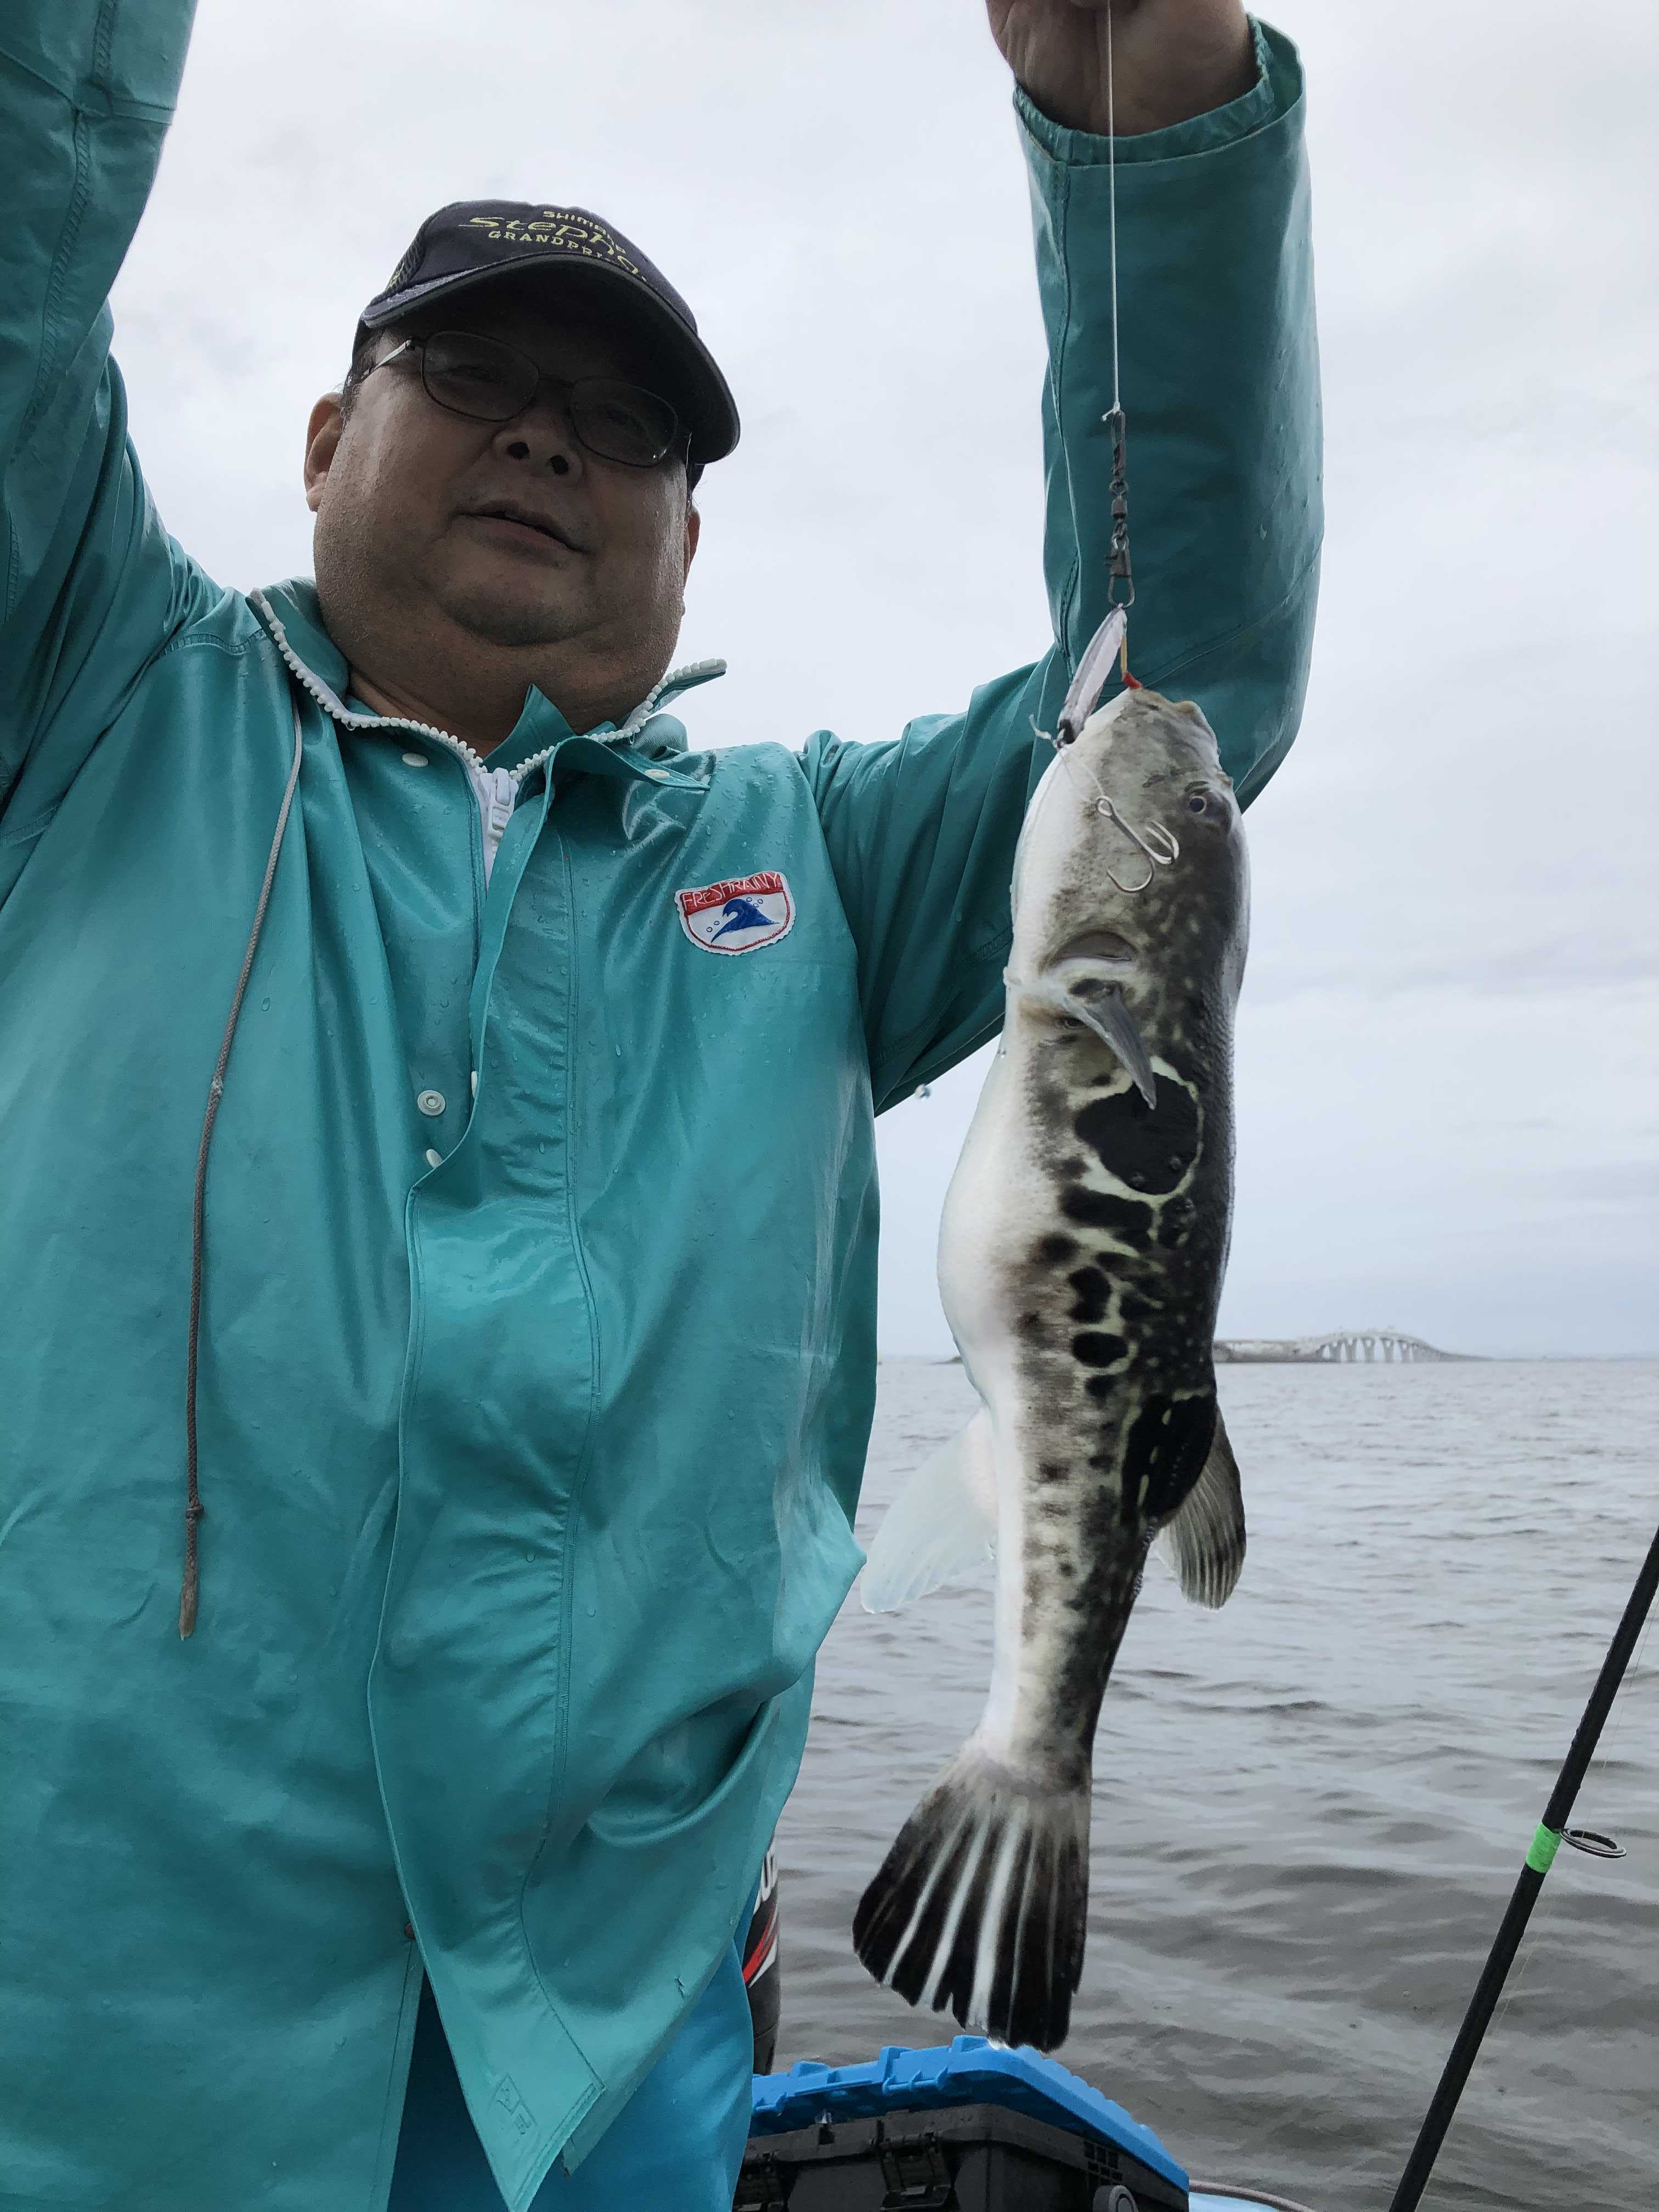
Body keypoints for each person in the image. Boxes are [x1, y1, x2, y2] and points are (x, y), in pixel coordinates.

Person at [0, 1, 1321, 2207]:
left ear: (690, 551)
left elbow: (1175, 684)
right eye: (477, 380)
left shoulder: (819, 860)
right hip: (84, 2066)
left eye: (624, 428)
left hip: (610, 2067)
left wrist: (1153, 135)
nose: (549, 441)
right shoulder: (90, 691)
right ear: (325, 436)